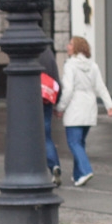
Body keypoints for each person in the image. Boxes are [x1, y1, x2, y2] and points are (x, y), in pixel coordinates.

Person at [56, 35, 112, 187]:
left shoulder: (70, 65)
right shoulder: (93, 65)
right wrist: (109, 105)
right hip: (89, 108)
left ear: (76, 47)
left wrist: (60, 108)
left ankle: (85, 171)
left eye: (70, 44)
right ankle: (77, 175)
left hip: (75, 108)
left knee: (73, 142)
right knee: (80, 142)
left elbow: (68, 90)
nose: (68, 46)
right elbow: (100, 87)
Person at [39, 45, 63, 186]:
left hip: (30, 98)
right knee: (46, 133)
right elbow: (56, 77)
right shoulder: (47, 52)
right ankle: (54, 165)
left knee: (30, 135)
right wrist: (57, 100)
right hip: (46, 97)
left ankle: (34, 169)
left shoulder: (27, 48)